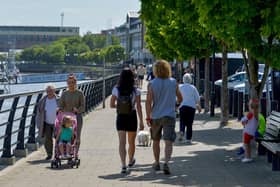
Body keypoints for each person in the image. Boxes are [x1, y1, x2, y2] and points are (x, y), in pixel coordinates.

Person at [146, 60, 183, 175]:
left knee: (156, 140)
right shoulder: (173, 82)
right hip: (169, 115)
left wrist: (148, 117)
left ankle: (157, 163)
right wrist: (175, 105)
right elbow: (180, 98)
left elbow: (148, 102)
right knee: (168, 141)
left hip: (156, 115)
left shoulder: (152, 83)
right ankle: (166, 162)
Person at [110, 68, 144, 174]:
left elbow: (111, 105)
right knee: (131, 142)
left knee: (121, 142)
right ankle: (130, 160)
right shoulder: (136, 90)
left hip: (121, 116)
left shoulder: (116, 89)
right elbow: (138, 106)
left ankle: (123, 165)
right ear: (132, 77)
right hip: (132, 116)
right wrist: (142, 121)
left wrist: (120, 106)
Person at [58, 74, 85, 152]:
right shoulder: (64, 93)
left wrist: (78, 110)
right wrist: (59, 109)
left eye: (73, 82)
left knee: (77, 135)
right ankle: (66, 151)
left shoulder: (80, 93)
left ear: (75, 83)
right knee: (66, 135)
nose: (71, 84)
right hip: (66, 118)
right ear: (67, 83)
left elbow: (83, 106)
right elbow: (61, 105)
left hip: (77, 116)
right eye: (69, 83)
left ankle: (75, 152)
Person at [36, 84, 59, 160]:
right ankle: (49, 154)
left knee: (58, 138)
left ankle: (58, 153)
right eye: (48, 91)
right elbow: (39, 113)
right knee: (47, 139)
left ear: (54, 91)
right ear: (46, 92)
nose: (50, 92)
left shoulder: (58, 99)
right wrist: (38, 123)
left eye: (51, 90)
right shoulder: (42, 100)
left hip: (57, 122)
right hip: (46, 123)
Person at [178, 73, 201, 143]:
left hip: (182, 106)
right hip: (191, 107)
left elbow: (176, 97)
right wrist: (199, 106)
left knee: (182, 120)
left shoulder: (180, 87)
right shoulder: (193, 88)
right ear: (190, 80)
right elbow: (197, 98)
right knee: (189, 123)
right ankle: (188, 138)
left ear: (183, 79)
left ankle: (182, 131)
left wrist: (176, 105)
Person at [240, 99, 260, 163]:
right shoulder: (257, 114)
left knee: (246, 145)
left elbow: (243, 120)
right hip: (252, 132)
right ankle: (248, 156)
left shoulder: (250, 114)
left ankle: (247, 157)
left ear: (250, 106)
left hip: (248, 132)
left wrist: (242, 120)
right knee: (247, 145)